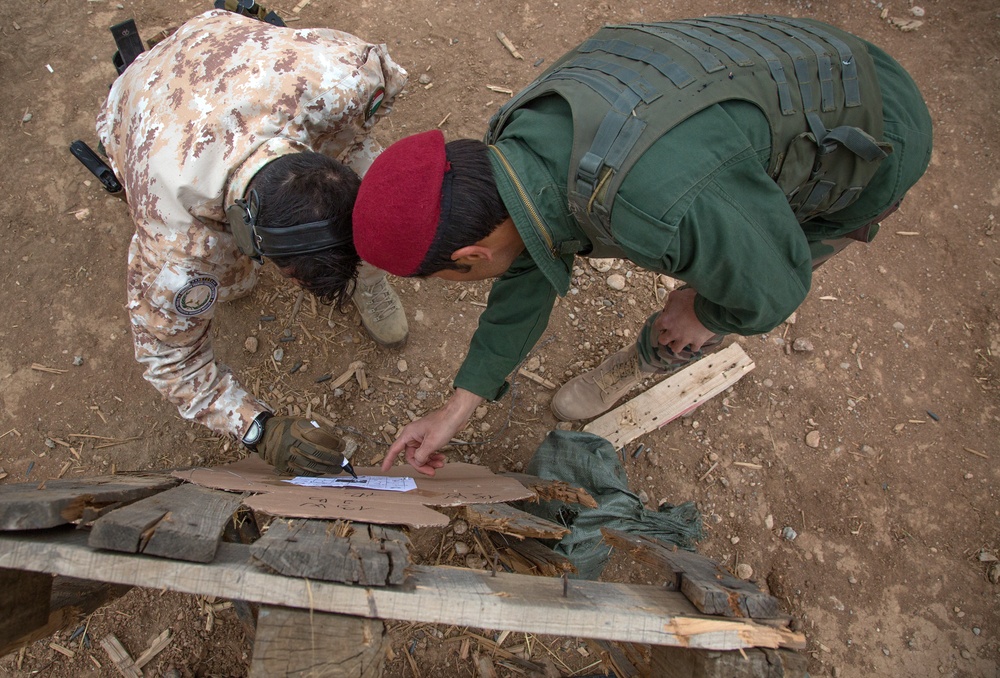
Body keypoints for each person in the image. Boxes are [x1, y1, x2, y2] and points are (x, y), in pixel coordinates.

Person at [351, 15, 933, 475]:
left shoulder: (647, 210)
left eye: (447, 281)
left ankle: (660, 349)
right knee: (722, 234)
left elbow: (776, 288)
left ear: (469, 258)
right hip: (805, 58)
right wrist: (460, 405)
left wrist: (701, 308)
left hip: (875, 131)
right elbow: (530, 255)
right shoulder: (517, 136)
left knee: (745, 272)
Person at [97, 8, 410, 475]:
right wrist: (258, 428)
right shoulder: (181, 246)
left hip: (221, 42)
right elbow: (169, 360)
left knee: (377, 180)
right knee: (229, 282)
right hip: (140, 101)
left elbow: (384, 82)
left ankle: (366, 271)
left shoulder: (343, 81)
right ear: (251, 239)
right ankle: (240, 277)